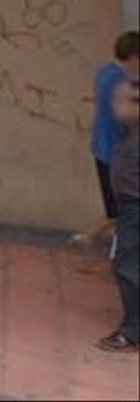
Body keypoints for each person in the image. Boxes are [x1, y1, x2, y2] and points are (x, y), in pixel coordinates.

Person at [79, 32, 140, 250]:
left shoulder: (104, 72)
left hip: (102, 148)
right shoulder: (121, 81)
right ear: (134, 56)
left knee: (118, 207)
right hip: (115, 153)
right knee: (122, 209)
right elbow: (125, 115)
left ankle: (90, 238)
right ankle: (92, 238)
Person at [99, 64, 140, 353]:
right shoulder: (131, 133)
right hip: (129, 205)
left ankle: (132, 331)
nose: (115, 106)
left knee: (127, 264)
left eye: (121, 100)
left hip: (134, 207)